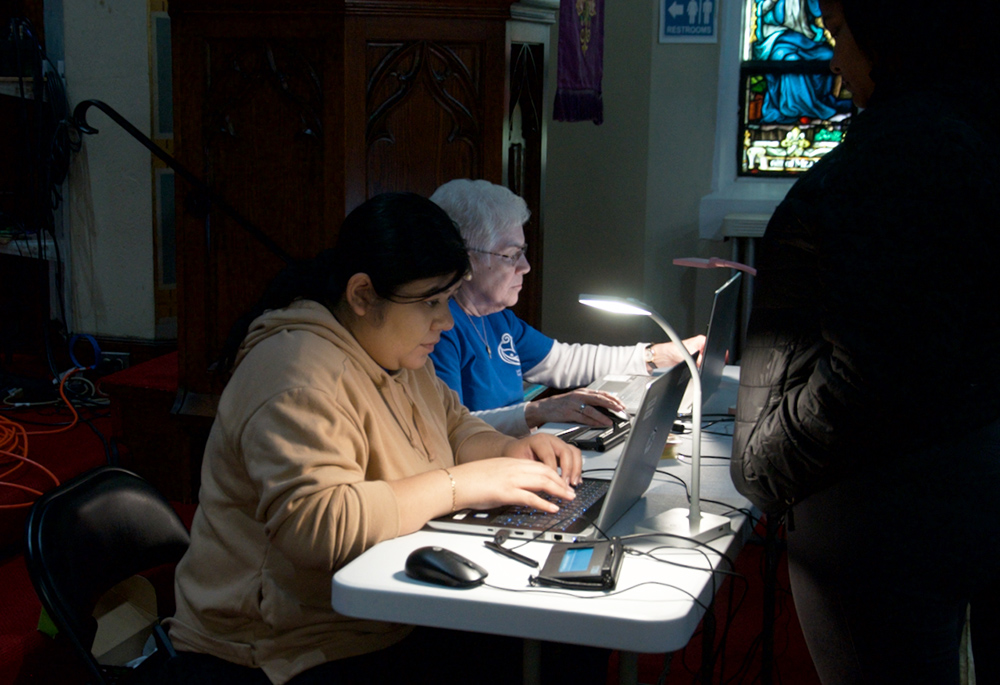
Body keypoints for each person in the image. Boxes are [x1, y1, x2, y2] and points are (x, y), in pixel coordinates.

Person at [161, 193, 587, 685]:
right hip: (281, 649)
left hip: (375, 618)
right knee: (547, 653)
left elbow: (453, 423)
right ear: (363, 295)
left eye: (448, 300)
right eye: (430, 301)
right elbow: (317, 526)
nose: (445, 321)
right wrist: (464, 483)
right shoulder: (294, 373)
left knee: (567, 643)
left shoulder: (392, 350)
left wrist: (510, 451)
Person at [730, 1, 1000, 682]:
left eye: (843, 33)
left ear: (893, 37)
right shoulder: (967, 131)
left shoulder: (910, 155)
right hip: (955, 487)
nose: (833, 58)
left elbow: (874, 369)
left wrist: (766, 456)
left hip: (878, 515)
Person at [428, 179, 704, 437]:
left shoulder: (498, 319)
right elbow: (451, 429)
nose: (525, 267)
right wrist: (537, 412)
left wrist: (656, 355)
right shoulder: (439, 331)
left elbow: (562, 361)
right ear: (464, 256)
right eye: (512, 255)